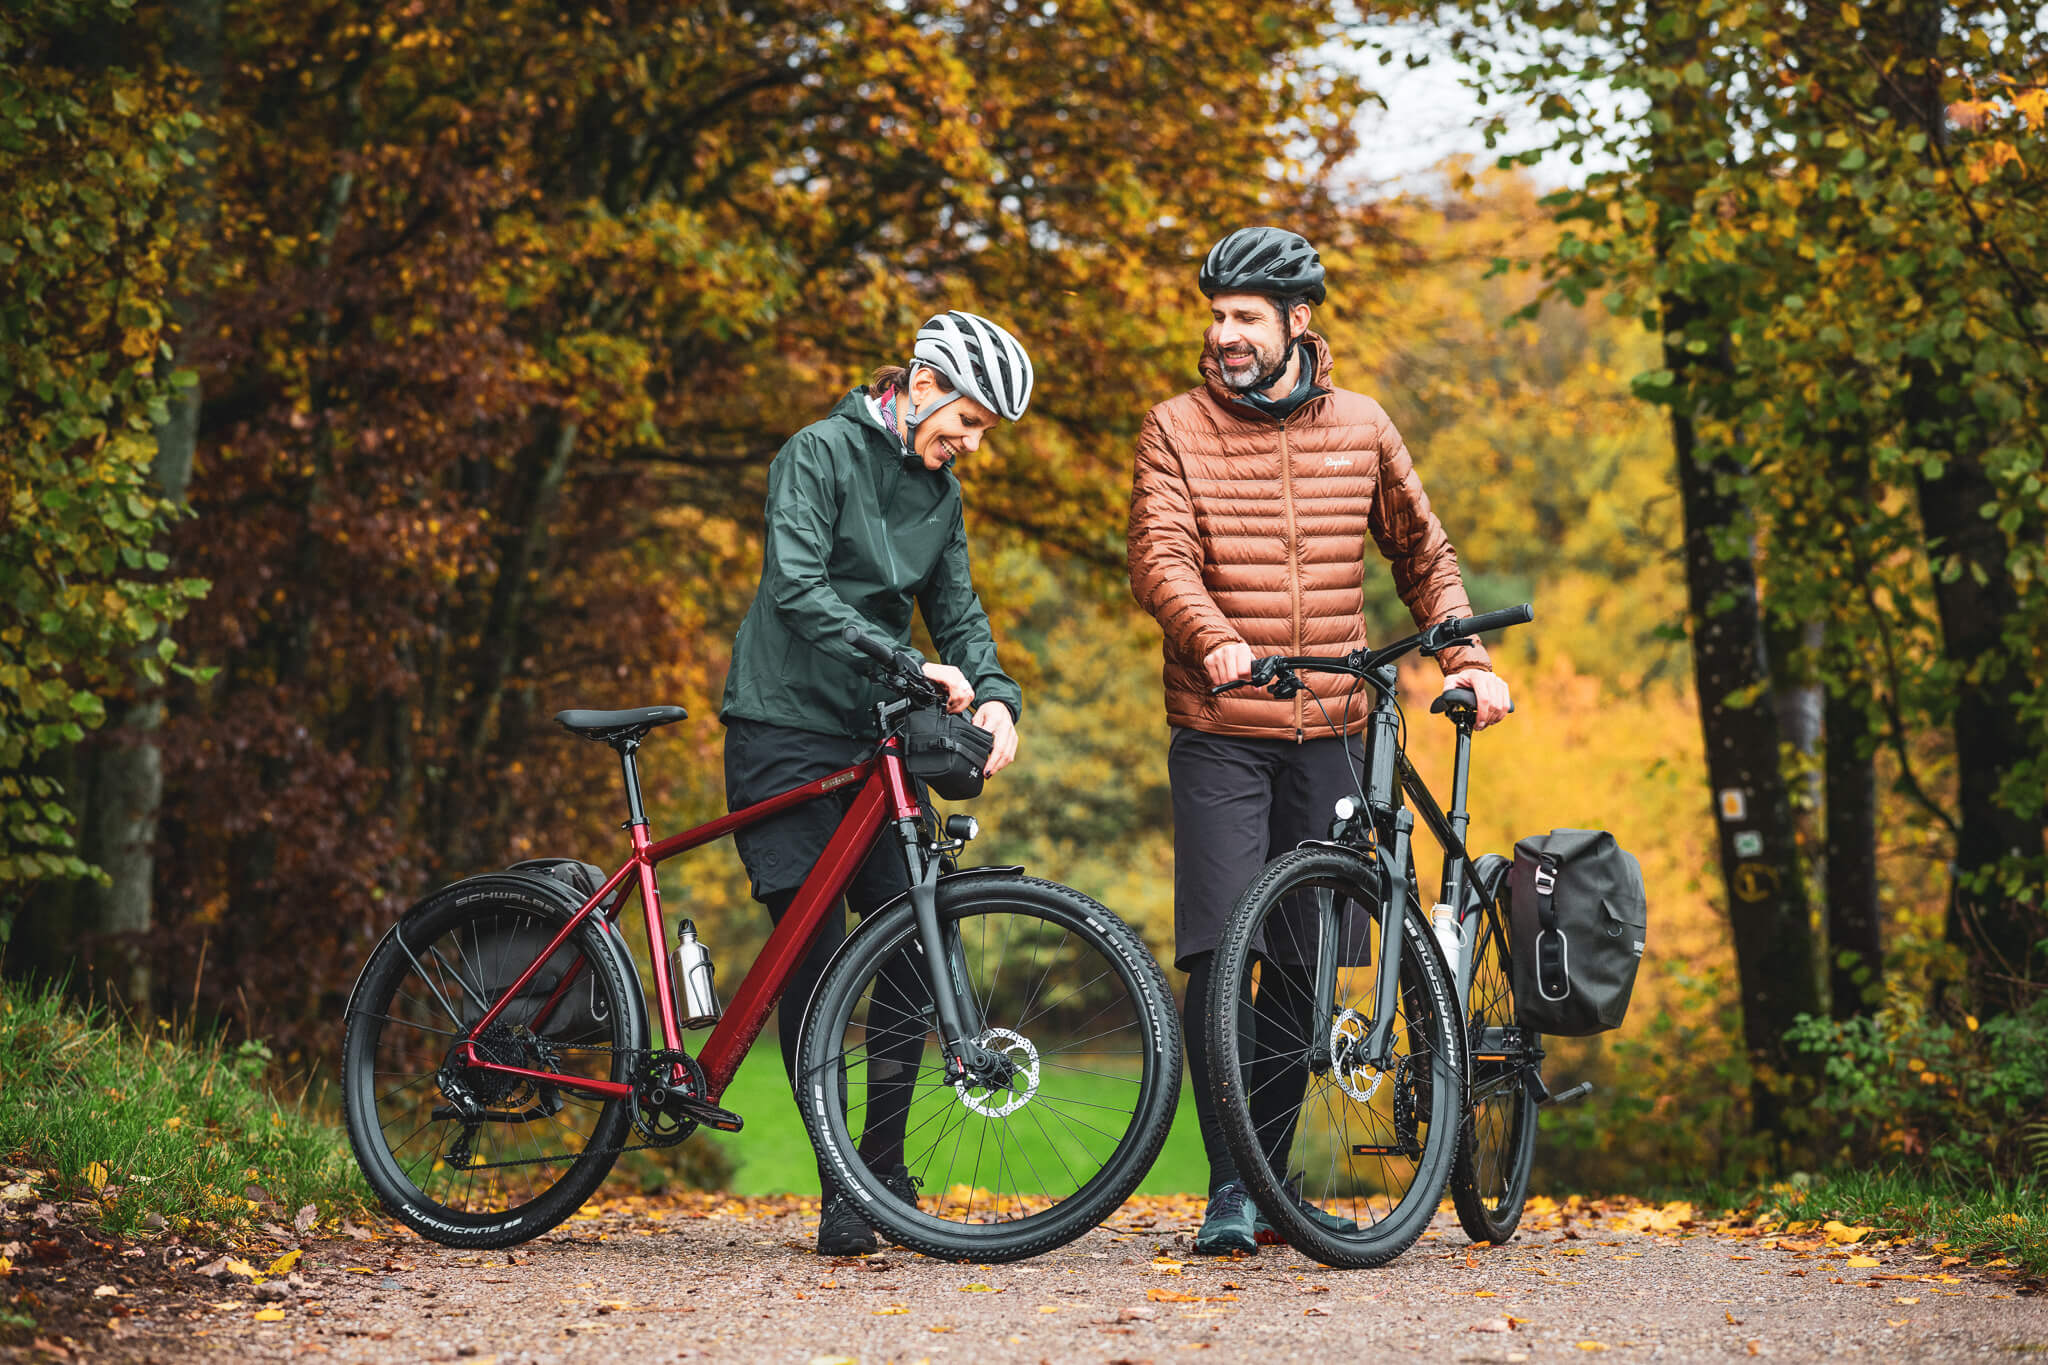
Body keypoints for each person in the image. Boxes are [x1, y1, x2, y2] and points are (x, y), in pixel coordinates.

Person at [1126, 226, 1514, 1255]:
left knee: (1301, 962)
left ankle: (1265, 1171)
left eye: (1242, 316)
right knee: (1218, 952)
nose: (1222, 335)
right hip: (1220, 727)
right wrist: (1213, 639)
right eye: (1214, 316)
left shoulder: (1361, 426)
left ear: (1297, 322)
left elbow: (1419, 552)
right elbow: (1158, 555)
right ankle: (1228, 1190)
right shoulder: (1174, 427)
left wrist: (1464, 660)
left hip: (1333, 728)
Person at [720, 310, 1030, 1255]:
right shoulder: (817, 453)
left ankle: (884, 1171)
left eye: (981, 434)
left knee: (908, 945)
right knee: (813, 961)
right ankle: (837, 1188)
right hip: (782, 727)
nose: (969, 446)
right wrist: (907, 660)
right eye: (967, 422)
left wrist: (999, 697)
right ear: (926, 382)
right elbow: (796, 587)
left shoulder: (941, 495)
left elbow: (962, 615)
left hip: (878, 742)